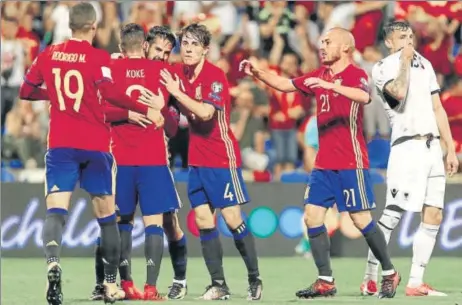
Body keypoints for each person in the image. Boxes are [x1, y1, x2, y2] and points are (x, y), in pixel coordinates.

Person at [18, 3, 163, 305]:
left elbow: (26, 91)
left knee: (56, 211)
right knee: (107, 219)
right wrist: (143, 107)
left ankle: (53, 264)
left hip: (60, 145)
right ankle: (110, 286)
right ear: (94, 27)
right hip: (96, 145)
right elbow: (109, 94)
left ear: (69, 25)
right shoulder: (98, 58)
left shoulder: (48, 54)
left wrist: (53, 94)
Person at [240, 27, 400, 299]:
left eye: (328, 41)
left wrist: (332, 86)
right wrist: (259, 73)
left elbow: (364, 96)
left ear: (346, 47)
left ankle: (389, 272)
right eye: (321, 40)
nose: (321, 45)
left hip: (351, 161)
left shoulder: (356, 74)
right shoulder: (318, 75)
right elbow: (285, 84)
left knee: (361, 219)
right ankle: (325, 279)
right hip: (323, 164)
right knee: (312, 216)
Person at [160, 23, 263, 301]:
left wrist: (177, 93)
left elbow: (206, 113)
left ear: (206, 49)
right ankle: (219, 284)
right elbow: (155, 71)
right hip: (197, 158)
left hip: (221, 156)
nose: (189, 49)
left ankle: (254, 277)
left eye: (195, 44)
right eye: (186, 43)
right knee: (204, 220)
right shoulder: (178, 72)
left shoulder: (215, 76)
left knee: (231, 218)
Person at [90, 25, 189, 302]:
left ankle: (158, 282)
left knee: (132, 223)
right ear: (146, 46)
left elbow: (170, 126)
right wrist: (139, 111)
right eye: (159, 50)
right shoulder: (159, 74)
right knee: (147, 222)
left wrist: (162, 107)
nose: (162, 56)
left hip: (140, 160)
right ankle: (125, 285)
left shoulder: (117, 68)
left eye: (168, 53)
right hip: (144, 160)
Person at [361, 21, 458, 297]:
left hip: (431, 148)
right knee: (392, 214)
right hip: (406, 147)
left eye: (411, 36)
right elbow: (399, 94)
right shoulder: (382, 68)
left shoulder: (425, 64)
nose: (409, 41)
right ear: (390, 42)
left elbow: (437, 107)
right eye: (402, 37)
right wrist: (403, 62)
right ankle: (370, 275)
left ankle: (415, 281)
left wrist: (449, 148)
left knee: (434, 214)